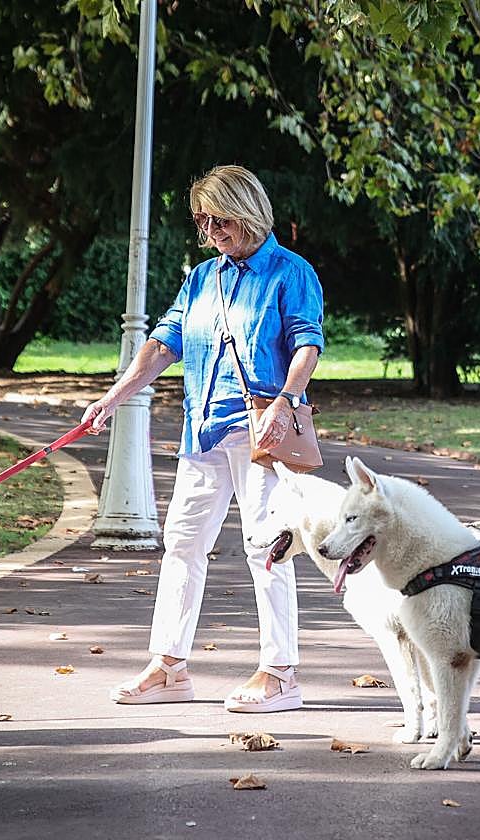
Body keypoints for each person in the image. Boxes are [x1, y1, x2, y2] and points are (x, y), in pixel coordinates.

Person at [82, 165, 324, 713]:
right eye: (201, 219)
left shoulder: (291, 272)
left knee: (267, 547)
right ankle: (169, 667)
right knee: (182, 545)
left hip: (260, 429)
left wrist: (286, 401)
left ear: (248, 211)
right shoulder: (202, 278)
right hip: (202, 428)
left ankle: (280, 672)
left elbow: (308, 344)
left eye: (218, 217)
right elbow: (164, 344)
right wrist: (113, 397)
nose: (209, 228)